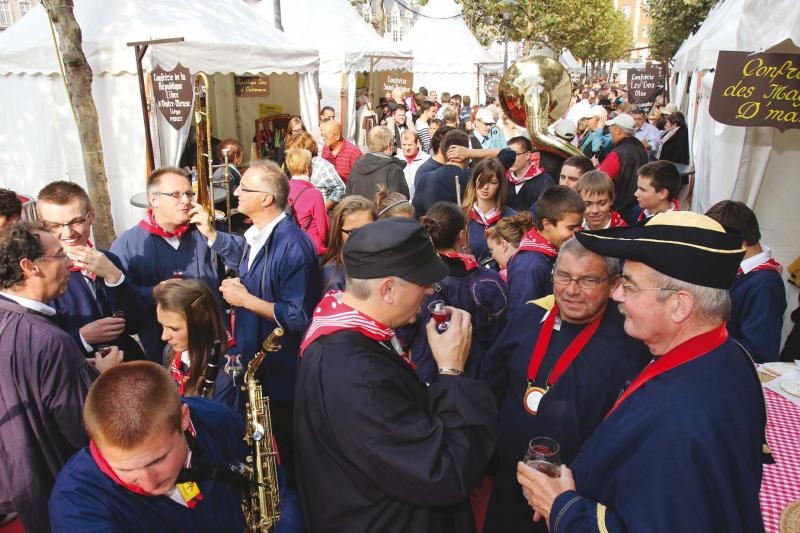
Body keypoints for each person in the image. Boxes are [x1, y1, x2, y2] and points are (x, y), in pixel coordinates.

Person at [519, 211, 767, 533]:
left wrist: (561, 506)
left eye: (631, 287)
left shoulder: (681, 419)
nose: (617, 294)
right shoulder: (728, 356)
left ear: (679, 305)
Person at [294, 217, 497, 532]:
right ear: (388, 289)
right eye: (422, 282)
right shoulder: (355, 372)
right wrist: (452, 370)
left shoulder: (350, 330)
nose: (431, 290)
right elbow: (443, 473)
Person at [483, 238, 649, 533]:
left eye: (588, 280)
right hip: (512, 478)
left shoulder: (629, 342)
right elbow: (491, 385)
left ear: (613, 284)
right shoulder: (528, 316)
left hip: (575, 496)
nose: (572, 290)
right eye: (563, 276)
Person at [0, 223, 122, 532]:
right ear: (29, 267)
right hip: (46, 491)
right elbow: (80, 426)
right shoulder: (49, 341)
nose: (70, 263)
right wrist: (102, 379)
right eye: (58, 255)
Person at [49, 362, 247, 531]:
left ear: (183, 418)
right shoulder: (75, 504)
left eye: (158, 460)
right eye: (125, 469)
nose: (148, 483)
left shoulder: (217, 418)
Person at [221, 159, 320, 489]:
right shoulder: (256, 236)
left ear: (266, 198)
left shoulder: (292, 244)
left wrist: (244, 300)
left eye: (244, 187)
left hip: (283, 375)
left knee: (292, 456)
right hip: (259, 368)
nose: (235, 192)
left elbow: (296, 316)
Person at [110, 167, 244, 360]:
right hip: (162, 350)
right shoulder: (128, 245)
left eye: (189, 193)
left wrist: (213, 235)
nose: (186, 201)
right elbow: (121, 301)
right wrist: (153, 293)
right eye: (176, 194)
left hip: (214, 348)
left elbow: (246, 261)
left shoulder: (206, 229)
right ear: (154, 199)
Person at [37, 181, 147, 361]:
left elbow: (136, 323)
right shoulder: (37, 274)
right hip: (79, 374)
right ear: (42, 226)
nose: (68, 233)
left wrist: (115, 278)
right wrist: (82, 338)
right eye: (55, 225)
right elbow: (38, 349)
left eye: (76, 221)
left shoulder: (108, 259)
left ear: (92, 217)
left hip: (124, 365)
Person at [412, 202, 509, 382]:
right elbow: (501, 337)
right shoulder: (488, 281)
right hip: (479, 381)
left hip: (426, 379)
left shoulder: (412, 281)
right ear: (463, 236)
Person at [705, 200, 787, 362]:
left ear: (739, 241)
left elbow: (759, 350)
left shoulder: (765, 283)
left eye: (717, 242)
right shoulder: (740, 272)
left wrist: (703, 337)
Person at [153, 278, 234, 404]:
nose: (164, 336)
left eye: (173, 328)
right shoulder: (170, 351)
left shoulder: (225, 375)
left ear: (200, 324)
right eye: (162, 325)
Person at [506, 186, 584, 315]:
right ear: (547, 224)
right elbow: (521, 316)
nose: (576, 234)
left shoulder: (552, 251)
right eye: (570, 228)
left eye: (579, 227)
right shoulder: (530, 265)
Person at [596, 113, 649, 223]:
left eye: (612, 127)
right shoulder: (641, 148)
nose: (610, 130)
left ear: (618, 130)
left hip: (620, 210)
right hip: (637, 206)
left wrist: (596, 166)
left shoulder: (617, 153)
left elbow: (599, 181)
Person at [462, 157, 515, 262]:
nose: (485, 186)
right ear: (474, 180)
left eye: (492, 182)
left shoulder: (511, 217)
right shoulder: (461, 214)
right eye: (481, 180)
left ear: (500, 185)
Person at [320, 196, 376, 295]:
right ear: (338, 233)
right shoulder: (332, 275)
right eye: (353, 232)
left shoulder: (381, 262)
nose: (362, 237)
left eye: (368, 229)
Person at [413, 129, 471, 217]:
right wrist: (473, 153)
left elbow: (417, 214)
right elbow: (500, 156)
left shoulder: (425, 178)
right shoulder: (471, 177)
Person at [286, 147, 330, 256]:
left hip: (291, 247)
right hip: (313, 248)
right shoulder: (314, 194)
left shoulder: (284, 189)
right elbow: (323, 229)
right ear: (307, 168)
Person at [286, 131, 346, 212]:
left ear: (305, 149)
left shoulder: (322, 165)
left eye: (295, 151)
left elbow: (340, 188)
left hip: (319, 215)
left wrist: (323, 207)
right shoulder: (297, 163)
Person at [345, 125, 409, 200]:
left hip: (359, 210)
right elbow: (399, 203)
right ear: (389, 145)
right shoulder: (393, 169)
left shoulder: (357, 165)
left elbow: (348, 198)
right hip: (381, 211)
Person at [506, 136, 555, 212]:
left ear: (527, 155)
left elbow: (546, 210)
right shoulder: (505, 179)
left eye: (514, 154)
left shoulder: (544, 180)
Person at [486, 212, 535, 281]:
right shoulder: (535, 262)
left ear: (504, 245)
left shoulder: (505, 277)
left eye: (492, 249)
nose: (492, 256)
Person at [395, 129, 430, 200]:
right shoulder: (396, 160)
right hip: (402, 204)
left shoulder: (427, 160)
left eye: (410, 145)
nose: (407, 148)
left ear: (417, 143)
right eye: (404, 145)